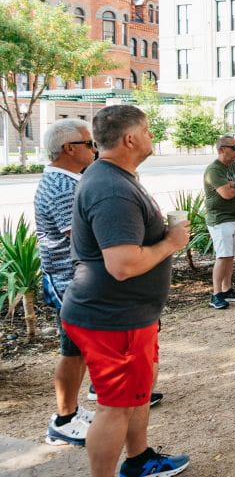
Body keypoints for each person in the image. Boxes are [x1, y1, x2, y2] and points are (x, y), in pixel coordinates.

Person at [59, 105, 190, 477]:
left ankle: (139, 458)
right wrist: (172, 242)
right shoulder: (112, 187)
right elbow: (123, 265)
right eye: (147, 131)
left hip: (129, 316)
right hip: (113, 320)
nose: (152, 137)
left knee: (137, 393)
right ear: (130, 138)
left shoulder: (116, 177)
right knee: (114, 406)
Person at [35, 119, 97, 446]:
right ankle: (63, 419)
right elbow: (80, 239)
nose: (94, 149)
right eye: (89, 144)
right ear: (69, 149)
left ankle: (72, 410)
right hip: (67, 279)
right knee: (72, 350)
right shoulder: (63, 187)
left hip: (72, 277)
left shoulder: (70, 180)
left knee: (79, 349)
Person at [203, 135, 235, 309]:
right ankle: (215, 294)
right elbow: (225, 194)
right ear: (221, 149)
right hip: (219, 218)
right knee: (223, 255)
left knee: (230, 255)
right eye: (234, 147)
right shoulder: (214, 170)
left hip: (234, 217)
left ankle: (227, 289)